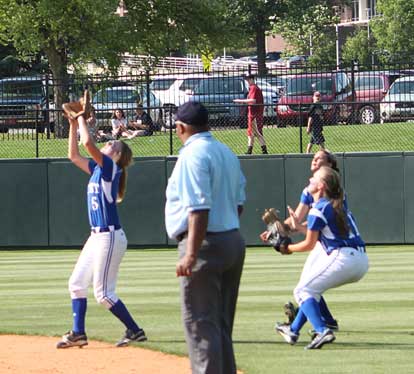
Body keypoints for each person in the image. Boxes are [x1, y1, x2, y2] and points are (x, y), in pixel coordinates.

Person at [165, 101, 246, 374]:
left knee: (201, 326)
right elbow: (239, 204)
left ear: (181, 127)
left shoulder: (192, 155)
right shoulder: (226, 151)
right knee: (221, 325)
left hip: (205, 245)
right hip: (231, 239)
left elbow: (198, 208)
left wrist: (190, 252)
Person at [56, 108, 146, 349]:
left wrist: (82, 117)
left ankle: (135, 330)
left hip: (110, 236)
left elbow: (87, 143)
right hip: (96, 237)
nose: (105, 145)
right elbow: (74, 155)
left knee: (103, 294)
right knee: (76, 284)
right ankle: (78, 333)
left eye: (109, 144)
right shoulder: (98, 169)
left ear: (115, 154)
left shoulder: (110, 168)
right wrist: (73, 124)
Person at [274, 166, 369, 349]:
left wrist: (288, 248)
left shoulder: (318, 208)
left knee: (302, 290)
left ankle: (322, 330)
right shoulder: (335, 205)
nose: (310, 180)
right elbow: (325, 235)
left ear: (322, 186)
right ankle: (293, 330)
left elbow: (309, 244)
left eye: (314, 179)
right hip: (360, 259)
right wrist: (298, 226)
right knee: (311, 290)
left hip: (344, 257)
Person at [261, 150, 341, 330]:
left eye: (319, 158)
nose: (314, 159)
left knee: (307, 286)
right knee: (308, 283)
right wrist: (277, 229)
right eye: (313, 157)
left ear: (329, 165)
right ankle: (326, 320)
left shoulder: (333, 188)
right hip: (321, 241)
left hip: (333, 242)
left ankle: (314, 324)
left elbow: (320, 219)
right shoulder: (309, 190)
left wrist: (294, 232)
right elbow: (297, 217)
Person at [233, 74, 268, 155]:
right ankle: (249, 151)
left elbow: (253, 100)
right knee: (250, 133)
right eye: (247, 80)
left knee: (257, 133)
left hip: (254, 115)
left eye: (248, 79)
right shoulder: (254, 88)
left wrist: (240, 101)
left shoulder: (254, 88)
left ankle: (264, 151)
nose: (247, 81)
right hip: (253, 114)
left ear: (252, 79)